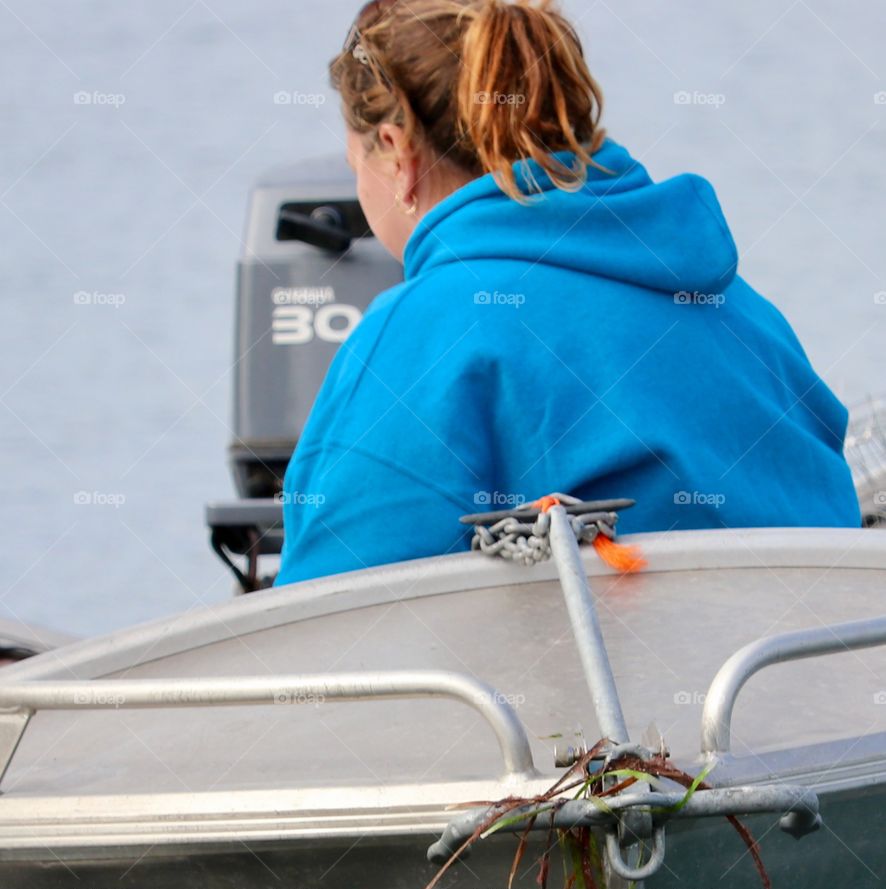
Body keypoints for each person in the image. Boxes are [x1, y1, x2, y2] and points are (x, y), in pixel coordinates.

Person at [275, 0, 860, 588]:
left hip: (630, 676)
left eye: (358, 164)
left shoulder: (418, 334)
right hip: (815, 666)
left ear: (397, 154)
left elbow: (326, 625)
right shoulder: (743, 311)